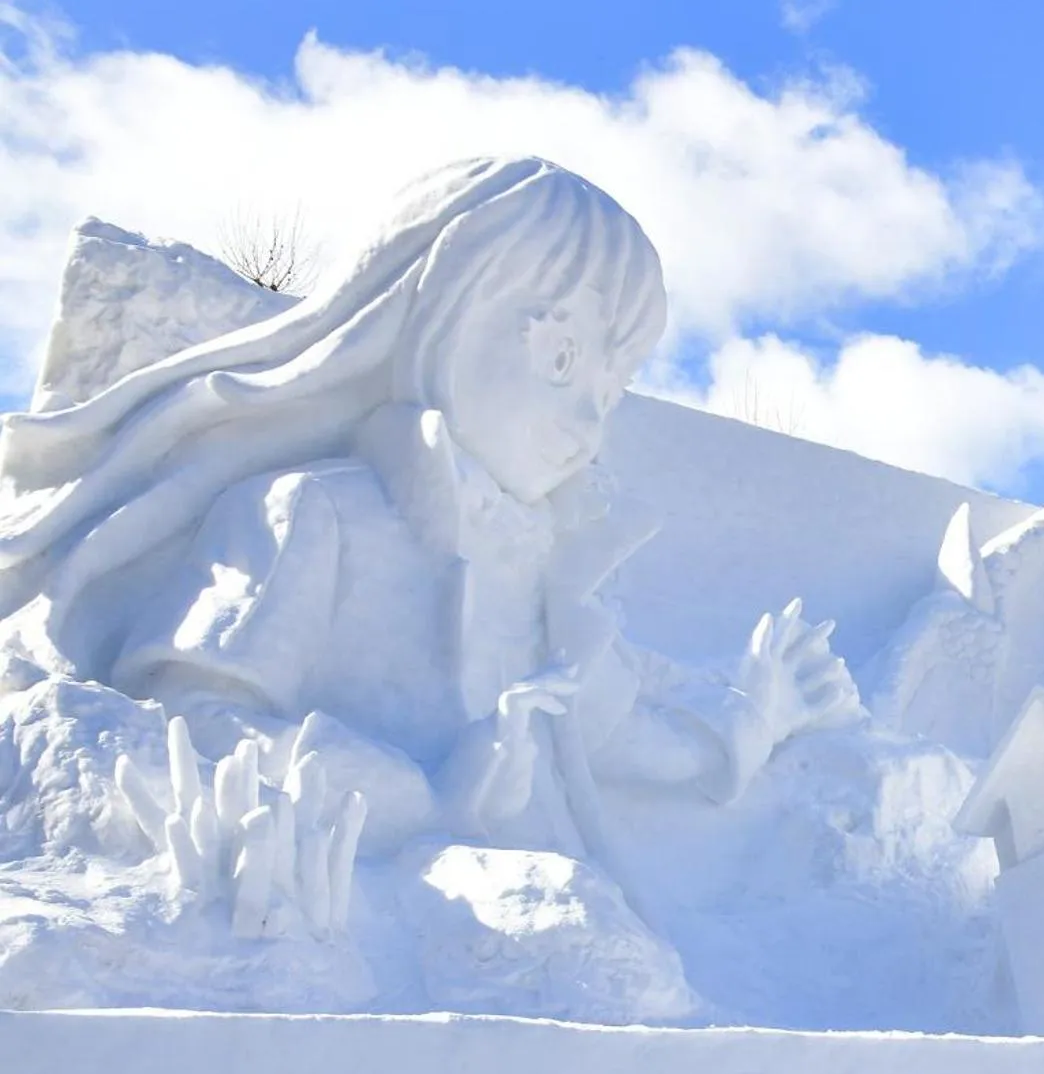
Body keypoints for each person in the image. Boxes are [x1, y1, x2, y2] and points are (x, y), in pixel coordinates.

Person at [0, 158, 859, 890]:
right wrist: (429, 799)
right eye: (562, 360)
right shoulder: (310, 512)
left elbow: (617, 734)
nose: (590, 419)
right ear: (450, 313)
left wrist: (753, 718)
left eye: (612, 390)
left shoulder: (544, 573)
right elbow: (197, 723)